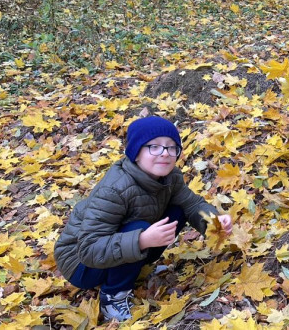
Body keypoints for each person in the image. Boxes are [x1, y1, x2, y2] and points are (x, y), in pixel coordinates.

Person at [54, 116, 233, 322]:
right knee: (138, 229)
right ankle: (113, 295)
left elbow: (192, 204)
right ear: (136, 153)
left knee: (178, 209)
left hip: (114, 246)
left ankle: (134, 266)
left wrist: (215, 222)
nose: (165, 153)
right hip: (80, 264)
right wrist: (142, 241)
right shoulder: (115, 189)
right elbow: (88, 249)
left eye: (171, 147)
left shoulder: (170, 177)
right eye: (154, 147)